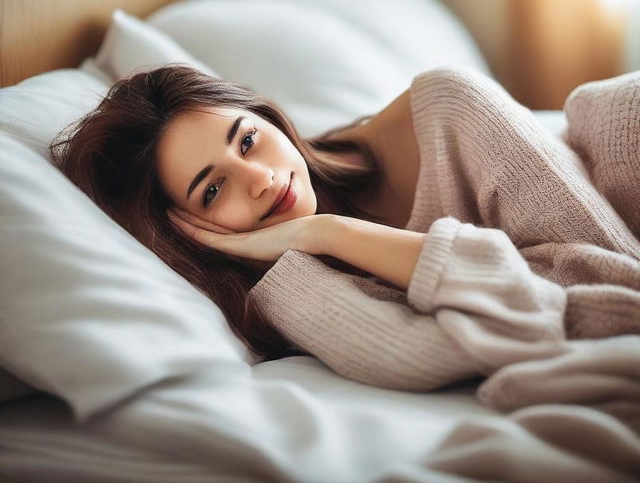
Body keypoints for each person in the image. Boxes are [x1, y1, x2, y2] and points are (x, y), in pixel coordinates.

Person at [51, 64, 640, 392]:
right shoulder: (284, 283)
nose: (257, 179)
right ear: (187, 231)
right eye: (212, 189)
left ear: (264, 114)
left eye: (248, 139)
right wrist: (325, 237)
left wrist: (332, 231)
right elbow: (415, 355)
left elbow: (620, 284)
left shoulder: (445, 110)